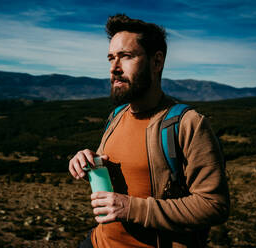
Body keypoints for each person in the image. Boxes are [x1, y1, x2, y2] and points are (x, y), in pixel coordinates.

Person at [69, 14, 230, 248]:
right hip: (98, 242)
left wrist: (131, 208)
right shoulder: (116, 116)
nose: (114, 68)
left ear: (157, 62)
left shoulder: (188, 124)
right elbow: (122, 176)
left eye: (126, 56)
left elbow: (214, 205)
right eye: (111, 58)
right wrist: (88, 161)